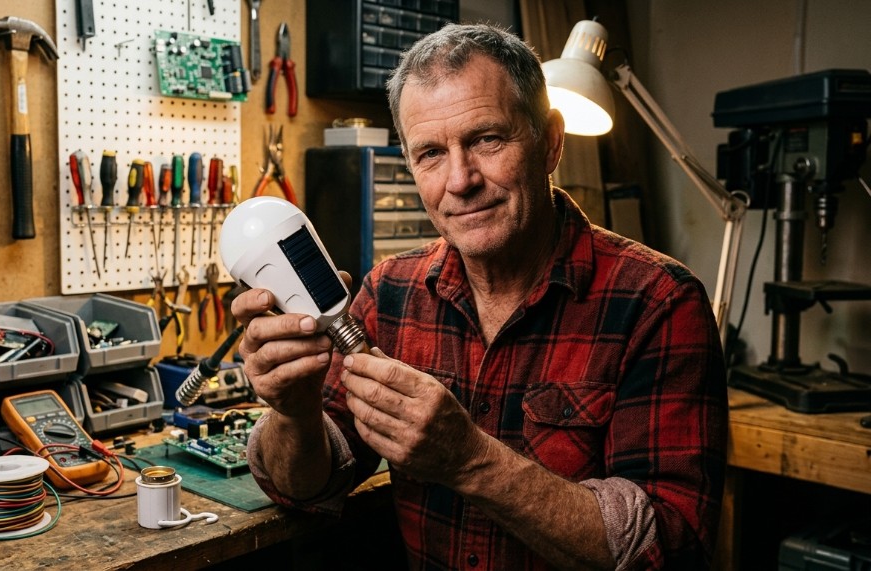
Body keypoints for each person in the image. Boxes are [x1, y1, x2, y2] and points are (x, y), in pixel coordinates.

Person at [231, 22, 728, 570]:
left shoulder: (659, 303)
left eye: (486, 139)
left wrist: (469, 460)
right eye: (430, 153)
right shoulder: (388, 293)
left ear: (550, 142)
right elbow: (306, 487)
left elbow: (671, 547)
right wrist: (295, 413)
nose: (460, 180)